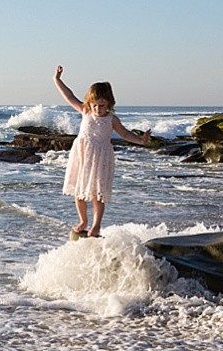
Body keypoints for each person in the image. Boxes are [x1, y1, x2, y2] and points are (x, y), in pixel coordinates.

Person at [53, 65, 150, 238]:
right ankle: (83, 220)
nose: (97, 109)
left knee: (98, 194)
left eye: (101, 105)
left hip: (100, 159)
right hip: (82, 156)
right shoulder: (85, 111)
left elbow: (125, 134)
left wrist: (141, 140)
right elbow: (69, 96)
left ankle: (96, 225)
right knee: (79, 192)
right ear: (89, 103)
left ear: (109, 104)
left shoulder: (112, 119)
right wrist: (57, 79)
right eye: (94, 105)